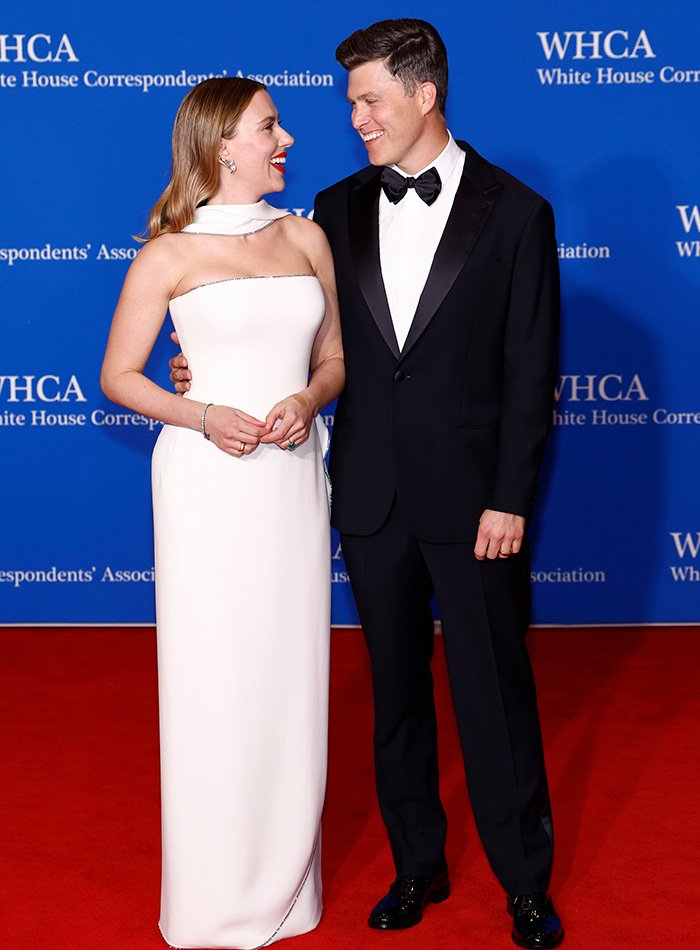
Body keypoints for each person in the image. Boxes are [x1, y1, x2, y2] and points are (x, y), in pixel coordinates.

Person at [171, 19, 563, 948]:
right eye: (350, 102)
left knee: (494, 693)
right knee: (394, 696)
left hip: (477, 507)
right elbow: (307, 342)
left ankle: (524, 883)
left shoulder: (517, 212)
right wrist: (206, 380)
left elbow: (531, 369)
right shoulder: (332, 210)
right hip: (370, 496)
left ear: (425, 94)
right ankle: (416, 865)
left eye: (369, 100)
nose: (355, 120)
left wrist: (510, 497)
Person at [101, 77, 344, 949]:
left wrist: (310, 399)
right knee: (213, 674)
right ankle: (212, 893)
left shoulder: (306, 236)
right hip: (206, 482)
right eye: (268, 126)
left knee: (288, 667)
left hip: (288, 479)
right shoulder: (167, 256)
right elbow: (121, 376)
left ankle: (289, 884)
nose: (286, 138)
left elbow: (336, 356)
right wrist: (202, 415)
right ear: (220, 146)